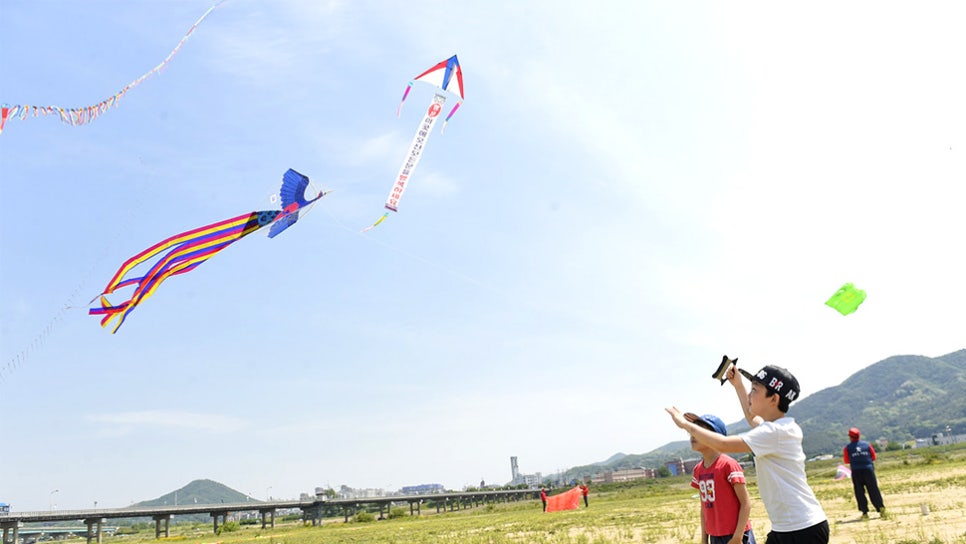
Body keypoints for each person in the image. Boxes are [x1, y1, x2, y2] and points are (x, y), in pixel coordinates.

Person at [667, 363, 829, 544]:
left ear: (773, 399)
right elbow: (752, 418)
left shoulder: (775, 433)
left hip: (802, 530)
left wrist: (685, 425)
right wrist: (738, 385)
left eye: (754, 390)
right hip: (786, 527)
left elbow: (723, 444)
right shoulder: (777, 428)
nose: (750, 395)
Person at [684, 413, 756, 544]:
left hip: (737, 536)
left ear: (714, 437)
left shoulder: (728, 465)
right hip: (715, 537)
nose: (693, 435)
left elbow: (746, 503)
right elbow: (704, 508)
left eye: (699, 430)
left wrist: (737, 537)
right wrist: (704, 539)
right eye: (692, 431)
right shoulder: (698, 470)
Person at [843, 427, 884, 517]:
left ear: (850, 437)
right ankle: (881, 509)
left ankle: (864, 512)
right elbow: (873, 457)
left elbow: (846, 460)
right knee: (873, 489)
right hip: (868, 470)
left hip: (856, 472)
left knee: (859, 491)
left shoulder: (847, 448)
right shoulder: (867, 445)